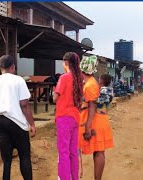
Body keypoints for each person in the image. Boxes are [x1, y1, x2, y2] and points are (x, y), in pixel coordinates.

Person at [0, 55, 36, 180]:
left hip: (0, 123)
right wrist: (32, 124)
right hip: (17, 123)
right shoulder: (18, 80)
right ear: (13, 67)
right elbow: (24, 105)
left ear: (0, 68)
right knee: (24, 156)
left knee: (6, 160)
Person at [79, 55, 114, 180]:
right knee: (99, 151)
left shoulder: (89, 85)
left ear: (82, 69)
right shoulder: (91, 83)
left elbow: (92, 106)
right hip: (98, 119)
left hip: (95, 121)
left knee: (98, 152)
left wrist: (88, 126)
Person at [53, 52, 83, 180]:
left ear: (66, 63)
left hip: (63, 117)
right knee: (73, 152)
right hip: (75, 117)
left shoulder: (64, 78)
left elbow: (55, 98)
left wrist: (54, 90)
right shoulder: (79, 78)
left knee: (63, 152)